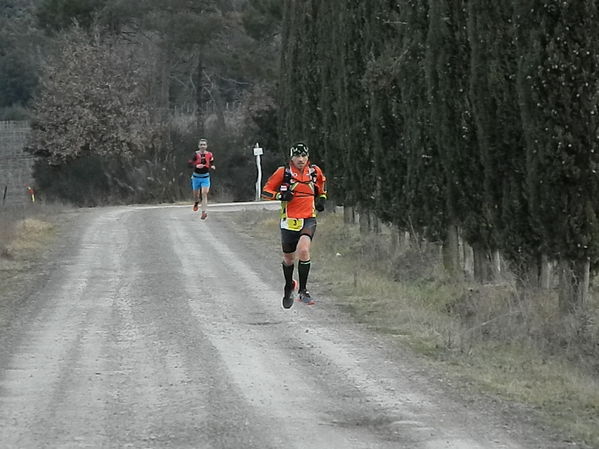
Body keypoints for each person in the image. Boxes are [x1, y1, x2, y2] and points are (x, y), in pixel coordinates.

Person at [261, 142, 327, 308]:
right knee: (289, 259)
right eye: (297, 156)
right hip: (289, 220)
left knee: (304, 250)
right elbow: (265, 192)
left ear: (308, 157)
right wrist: (280, 196)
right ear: (291, 157)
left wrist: (322, 200)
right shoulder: (283, 173)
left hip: (308, 219)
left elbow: (322, 188)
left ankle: (303, 290)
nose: (301, 159)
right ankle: (289, 284)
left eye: (304, 156)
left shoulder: (314, 172)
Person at [188, 138, 216, 219]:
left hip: (205, 177)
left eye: (204, 145)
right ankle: (196, 202)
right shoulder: (195, 154)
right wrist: (196, 165)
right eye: (201, 145)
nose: (202, 146)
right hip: (196, 177)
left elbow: (211, 162)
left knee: (204, 193)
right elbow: (189, 164)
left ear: (206, 146)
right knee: (196, 195)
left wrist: (212, 166)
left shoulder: (210, 154)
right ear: (198, 146)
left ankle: (204, 212)